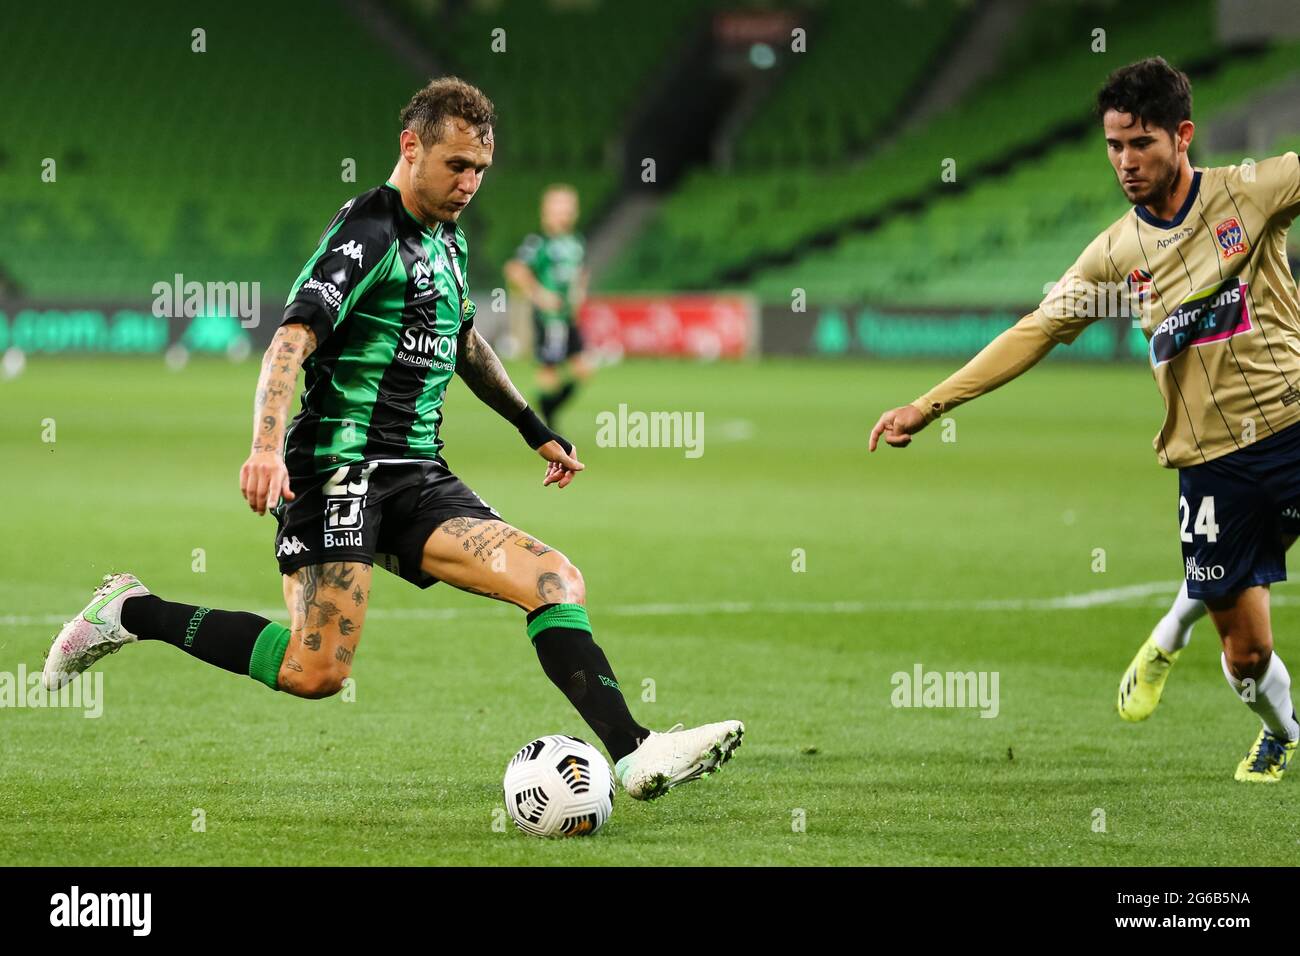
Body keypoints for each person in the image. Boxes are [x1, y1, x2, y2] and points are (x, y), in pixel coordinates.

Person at [43, 76, 742, 801]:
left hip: (416, 477)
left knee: (553, 579)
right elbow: (290, 340)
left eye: (480, 169)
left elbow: (464, 342)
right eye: (457, 166)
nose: (470, 183)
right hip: (336, 472)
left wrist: (535, 429)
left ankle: (633, 754)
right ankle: (130, 611)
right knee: (317, 673)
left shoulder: (448, 241)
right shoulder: (366, 233)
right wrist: (264, 446)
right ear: (411, 148)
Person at [869, 57, 1300, 782]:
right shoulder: (1115, 254)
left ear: (1182, 135)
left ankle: (1179, 630)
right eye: (1114, 146)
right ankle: (1284, 732)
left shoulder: (1251, 192)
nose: (1126, 163)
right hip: (1213, 467)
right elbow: (1037, 330)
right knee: (1246, 654)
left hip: (1294, 427)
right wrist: (928, 403)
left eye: (1141, 144)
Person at [504, 184, 591, 428]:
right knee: (549, 371)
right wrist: (539, 294)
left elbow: (581, 272)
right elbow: (514, 269)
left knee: (583, 370)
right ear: (546, 212)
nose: (565, 213)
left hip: (568, 317)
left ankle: (547, 410)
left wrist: (579, 293)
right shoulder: (538, 242)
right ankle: (547, 424)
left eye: (569, 207)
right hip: (548, 318)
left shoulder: (576, 242)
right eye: (559, 207)